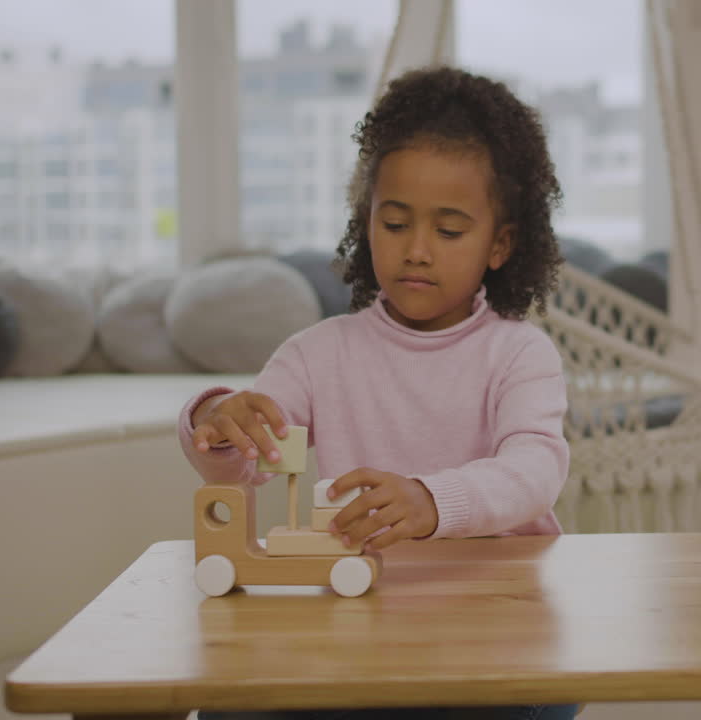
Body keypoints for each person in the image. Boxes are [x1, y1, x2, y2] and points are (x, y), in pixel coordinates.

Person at [180, 66, 577, 720]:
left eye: (449, 231)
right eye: (395, 223)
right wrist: (221, 423)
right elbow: (250, 461)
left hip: (492, 622)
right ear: (366, 223)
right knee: (231, 701)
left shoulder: (519, 353)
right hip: (350, 621)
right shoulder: (315, 354)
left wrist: (432, 500)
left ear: (500, 245)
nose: (417, 250)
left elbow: (534, 470)